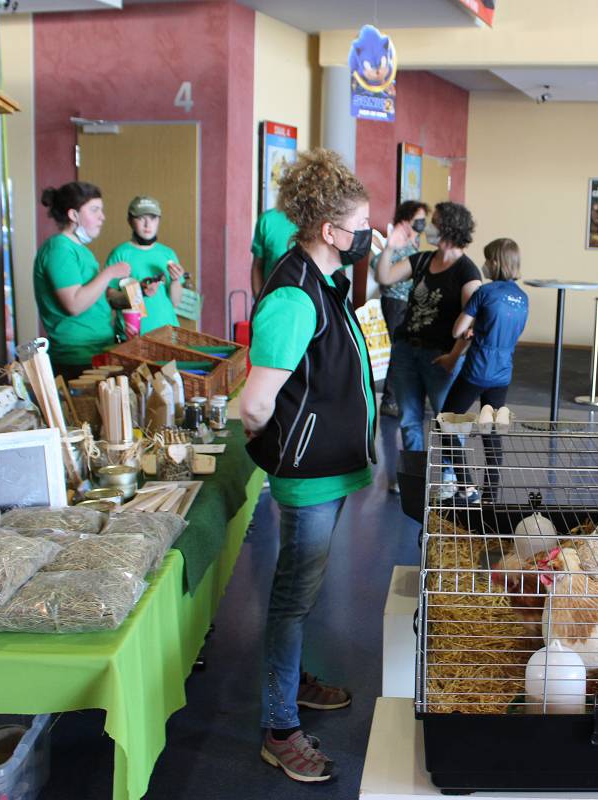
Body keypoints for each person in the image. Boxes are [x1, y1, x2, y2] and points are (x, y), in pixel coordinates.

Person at [240, 148, 377, 784]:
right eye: (360, 227)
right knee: (292, 600)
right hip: (308, 477)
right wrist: (283, 449)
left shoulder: (321, 280)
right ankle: (279, 727)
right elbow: (256, 403)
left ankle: (291, 683)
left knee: (305, 589)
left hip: (326, 469)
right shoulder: (295, 295)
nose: (365, 237)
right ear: (330, 231)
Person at [376, 201, 483, 459]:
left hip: (440, 357)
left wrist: (454, 356)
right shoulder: (423, 259)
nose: (429, 228)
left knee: (448, 422)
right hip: (406, 351)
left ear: (448, 228)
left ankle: (447, 476)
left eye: (434, 222)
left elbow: (472, 325)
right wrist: (389, 248)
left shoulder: (467, 272)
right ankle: (415, 476)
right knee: (408, 420)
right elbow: (385, 277)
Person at [440, 238, 529, 502]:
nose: (484, 264)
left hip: (476, 370)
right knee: (492, 433)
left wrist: (472, 329)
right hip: (502, 374)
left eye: (487, 258)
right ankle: (490, 497)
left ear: (494, 262)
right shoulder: (523, 298)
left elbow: (457, 330)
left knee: (444, 424)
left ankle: (466, 484)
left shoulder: (484, 293)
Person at [33, 182, 130, 379]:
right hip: (76, 358)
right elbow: (74, 304)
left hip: (98, 350)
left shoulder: (81, 250)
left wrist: (134, 296)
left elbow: (95, 299)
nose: (102, 217)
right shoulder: (59, 249)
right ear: (73, 215)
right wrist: (109, 273)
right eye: (94, 210)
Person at [371, 200, 429, 419]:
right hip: (395, 302)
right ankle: (389, 400)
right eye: (418, 219)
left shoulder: (414, 243)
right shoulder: (398, 243)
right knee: (398, 351)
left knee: (406, 350)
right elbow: (379, 270)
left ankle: (399, 397)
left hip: (409, 302)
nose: (422, 223)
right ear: (405, 221)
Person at [105, 196, 185, 336]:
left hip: (168, 332)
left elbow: (175, 302)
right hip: (133, 335)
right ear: (130, 220)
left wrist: (175, 280)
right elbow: (111, 299)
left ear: (159, 220)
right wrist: (138, 292)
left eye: (153, 218)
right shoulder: (120, 254)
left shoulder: (167, 253)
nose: (148, 225)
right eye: (141, 218)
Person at [251, 204, 300, 297]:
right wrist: (260, 303)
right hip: (273, 303)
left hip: (316, 306)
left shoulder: (323, 221)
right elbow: (257, 266)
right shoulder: (268, 220)